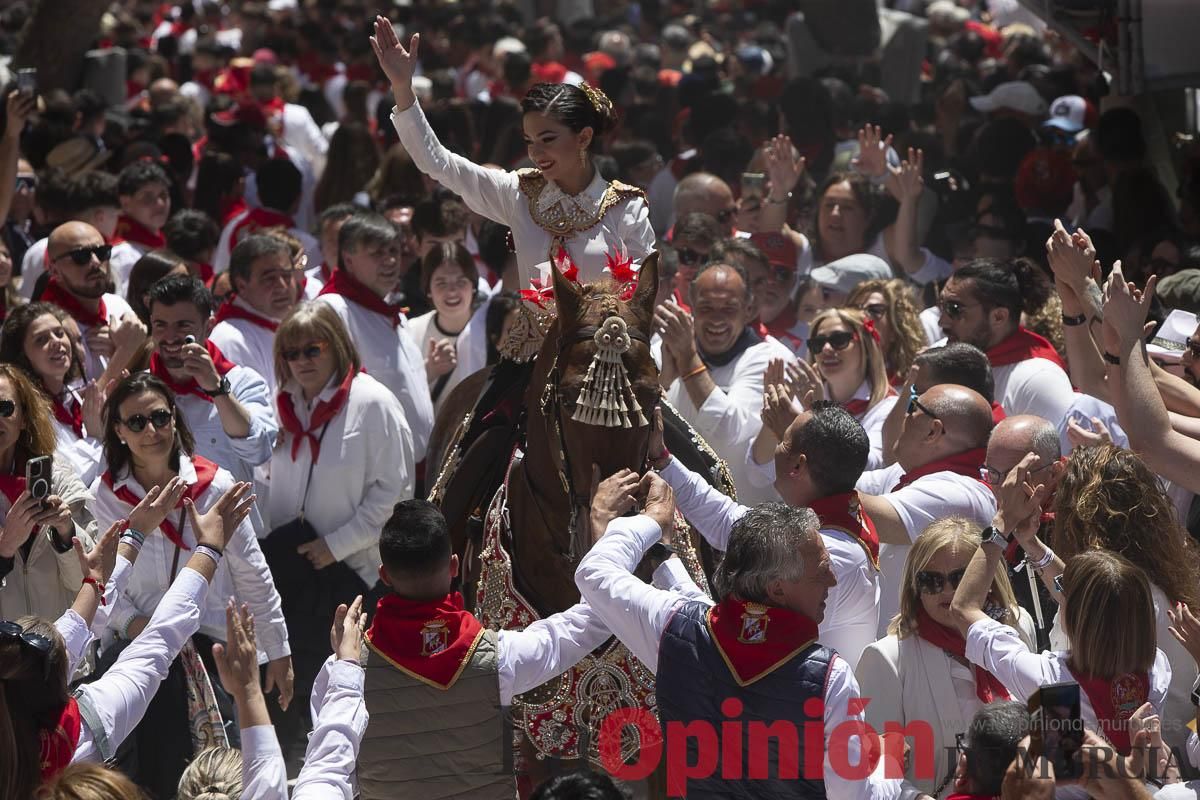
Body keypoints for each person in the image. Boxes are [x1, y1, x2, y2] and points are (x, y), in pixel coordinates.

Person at [577, 479, 910, 798]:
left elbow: (596, 574)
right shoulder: (831, 677)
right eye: (821, 568)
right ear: (777, 588)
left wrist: (652, 534)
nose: (833, 579)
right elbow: (850, 796)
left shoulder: (674, 631)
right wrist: (889, 763)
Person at [90, 373, 291, 797]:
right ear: (119, 432)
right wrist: (133, 625)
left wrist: (279, 651)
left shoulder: (214, 485)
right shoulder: (105, 496)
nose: (152, 431)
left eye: (160, 417)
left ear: (175, 420)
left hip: (209, 650)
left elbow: (255, 573)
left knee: (218, 780)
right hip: (136, 653)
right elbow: (104, 581)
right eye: (137, 422)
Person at [356, 499, 611, 799]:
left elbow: (332, 764)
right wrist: (601, 530)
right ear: (454, 566)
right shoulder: (500, 656)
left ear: (384, 575)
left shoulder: (347, 671)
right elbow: (590, 622)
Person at [374, 17, 653, 287]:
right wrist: (402, 87)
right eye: (529, 141)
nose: (536, 152)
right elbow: (438, 163)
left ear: (583, 137)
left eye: (548, 139)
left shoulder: (626, 208)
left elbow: (642, 299)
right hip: (530, 336)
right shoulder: (518, 194)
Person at [263, 301, 414, 763]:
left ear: (338, 348)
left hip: (349, 567)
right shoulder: (287, 407)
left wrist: (335, 546)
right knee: (293, 675)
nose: (302, 361)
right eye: (292, 353)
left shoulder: (372, 401)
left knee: (343, 678)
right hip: (293, 563)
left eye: (314, 349)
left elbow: (395, 492)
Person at [951, 456, 1172, 763]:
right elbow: (1091, 601)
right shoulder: (1156, 670)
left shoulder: (1047, 679)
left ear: (1075, 614)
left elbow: (963, 608)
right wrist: (1030, 543)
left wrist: (1002, 523)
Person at [650, 401, 882, 669]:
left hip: (810, 704)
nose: (777, 449)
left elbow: (738, 634)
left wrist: (661, 557)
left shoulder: (826, 553)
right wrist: (663, 461)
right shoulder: (840, 520)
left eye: (783, 441)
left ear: (797, 466)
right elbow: (727, 519)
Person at [1007, 444, 1200, 758]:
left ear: (1079, 517)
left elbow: (969, 615)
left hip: (1124, 766)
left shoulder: (1126, 594)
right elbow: (1077, 590)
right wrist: (1031, 543)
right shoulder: (1142, 581)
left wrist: (999, 530)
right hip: (1166, 758)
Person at [856, 518, 1036, 796]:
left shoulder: (1017, 628)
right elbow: (875, 774)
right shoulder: (888, 659)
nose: (948, 591)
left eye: (960, 578)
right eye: (931, 581)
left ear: (988, 577)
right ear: (916, 588)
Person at [855, 384, 997, 635]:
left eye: (912, 407)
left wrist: (804, 459)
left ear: (933, 430)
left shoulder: (959, 493)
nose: (904, 417)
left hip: (925, 662)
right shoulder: (909, 472)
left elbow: (858, 511)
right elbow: (845, 483)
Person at [657, 261, 798, 504]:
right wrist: (666, 379)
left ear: (749, 310)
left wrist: (688, 360)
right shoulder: (668, 346)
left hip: (746, 521)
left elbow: (726, 428)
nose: (716, 319)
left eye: (729, 309)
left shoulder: (771, 358)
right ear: (691, 305)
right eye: (706, 308)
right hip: (680, 513)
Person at [315, 213, 434, 461]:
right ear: (348, 259)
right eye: (377, 253)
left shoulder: (394, 315)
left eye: (394, 250)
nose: (390, 260)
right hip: (370, 468)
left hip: (412, 467)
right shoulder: (333, 309)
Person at [145, 275, 279, 484]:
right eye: (160, 325)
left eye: (183, 326)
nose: (170, 337)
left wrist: (217, 390)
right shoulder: (139, 390)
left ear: (209, 327)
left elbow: (259, 452)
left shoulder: (243, 382)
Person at [0, 363, 97, 622]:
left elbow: (90, 580)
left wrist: (66, 533)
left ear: (23, 418)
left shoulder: (57, 477)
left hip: (60, 651)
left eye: (4, 408)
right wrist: (4, 548)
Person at [938, 259, 1074, 423]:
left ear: (998, 317)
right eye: (941, 305)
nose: (942, 322)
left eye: (954, 309)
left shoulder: (1039, 378)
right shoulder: (938, 356)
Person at [0, 302, 106, 485]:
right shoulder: (22, 412)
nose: (57, 342)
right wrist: (95, 438)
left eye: (59, 333)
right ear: (22, 356)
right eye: (41, 340)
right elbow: (62, 481)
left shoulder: (74, 397)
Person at [41, 222, 146, 384]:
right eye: (81, 256)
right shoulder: (46, 329)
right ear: (55, 271)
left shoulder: (117, 305)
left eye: (102, 252)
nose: (96, 262)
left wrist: (125, 352)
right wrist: (124, 353)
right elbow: (74, 407)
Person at [795, 307, 898, 467]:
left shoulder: (889, 407)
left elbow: (873, 464)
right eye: (818, 343)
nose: (826, 349)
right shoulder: (803, 398)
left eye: (839, 340)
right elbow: (759, 475)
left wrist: (819, 416)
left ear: (865, 346)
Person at [210, 234, 303, 398]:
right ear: (241, 285)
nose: (282, 286)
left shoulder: (286, 325)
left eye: (287, 275)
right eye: (269, 278)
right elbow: (250, 416)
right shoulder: (231, 340)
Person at [405, 242, 490, 414]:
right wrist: (429, 370)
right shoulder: (410, 332)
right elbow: (400, 395)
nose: (452, 291)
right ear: (428, 289)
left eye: (461, 281)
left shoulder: (492, 331)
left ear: (474, 286)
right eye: (441, 283)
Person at [213, 159, 320, 272]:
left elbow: (219, 272)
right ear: (299, 198)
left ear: (258, 195)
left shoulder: (233, 226)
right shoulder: (307, 245)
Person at [848, 278, 930, 384]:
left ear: (896, 327)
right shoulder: (830, 378)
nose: (861, 316)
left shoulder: (915, 384)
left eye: (874, 310)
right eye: (853, 309)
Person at [110, 161, 173, 296]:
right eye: (148, 197)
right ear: (125, 203)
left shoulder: (159, 241)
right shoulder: (124, 254)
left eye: (163, 195)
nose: (160, 204)